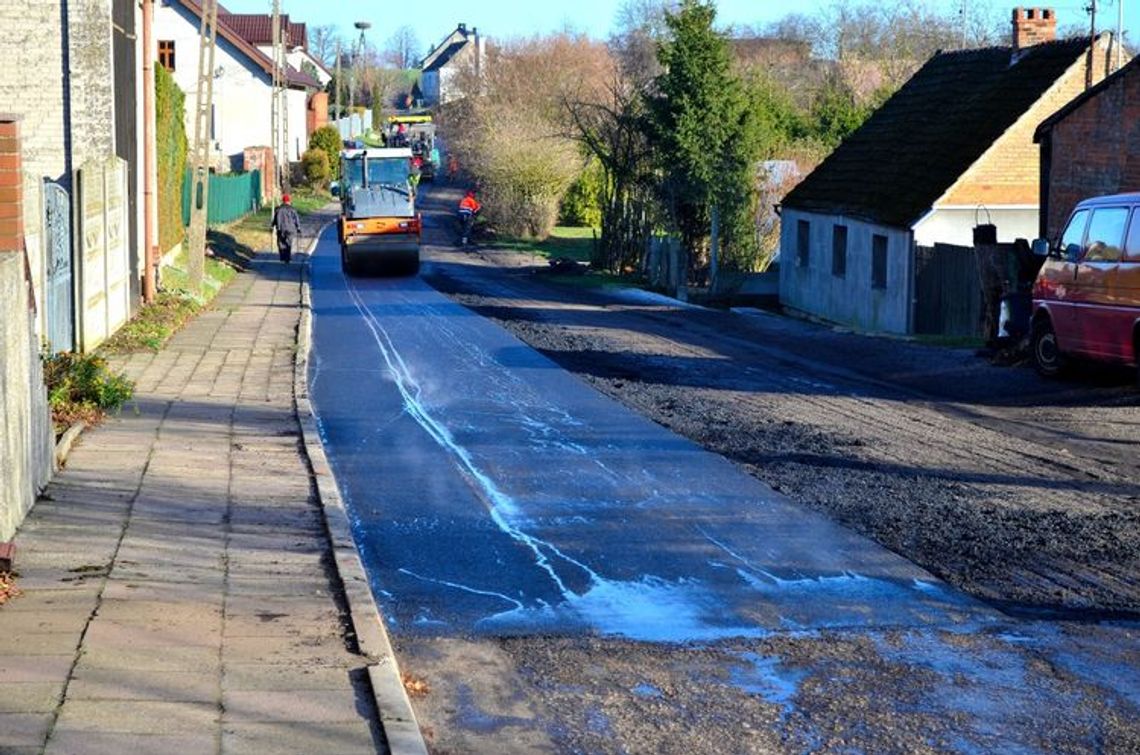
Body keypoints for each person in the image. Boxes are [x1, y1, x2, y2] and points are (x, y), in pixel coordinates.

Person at [270, 193, 301, 264]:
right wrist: (298, 227)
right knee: (288, 243)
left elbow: (275, 219)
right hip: (291, 229)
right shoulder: (292, 209)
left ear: (283, 201)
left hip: (281, 229)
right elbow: (296, 219)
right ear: (289, 201)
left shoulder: (278, 209)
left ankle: (283, 257)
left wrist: (272, 226)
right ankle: (287, 257)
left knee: (281, 243)